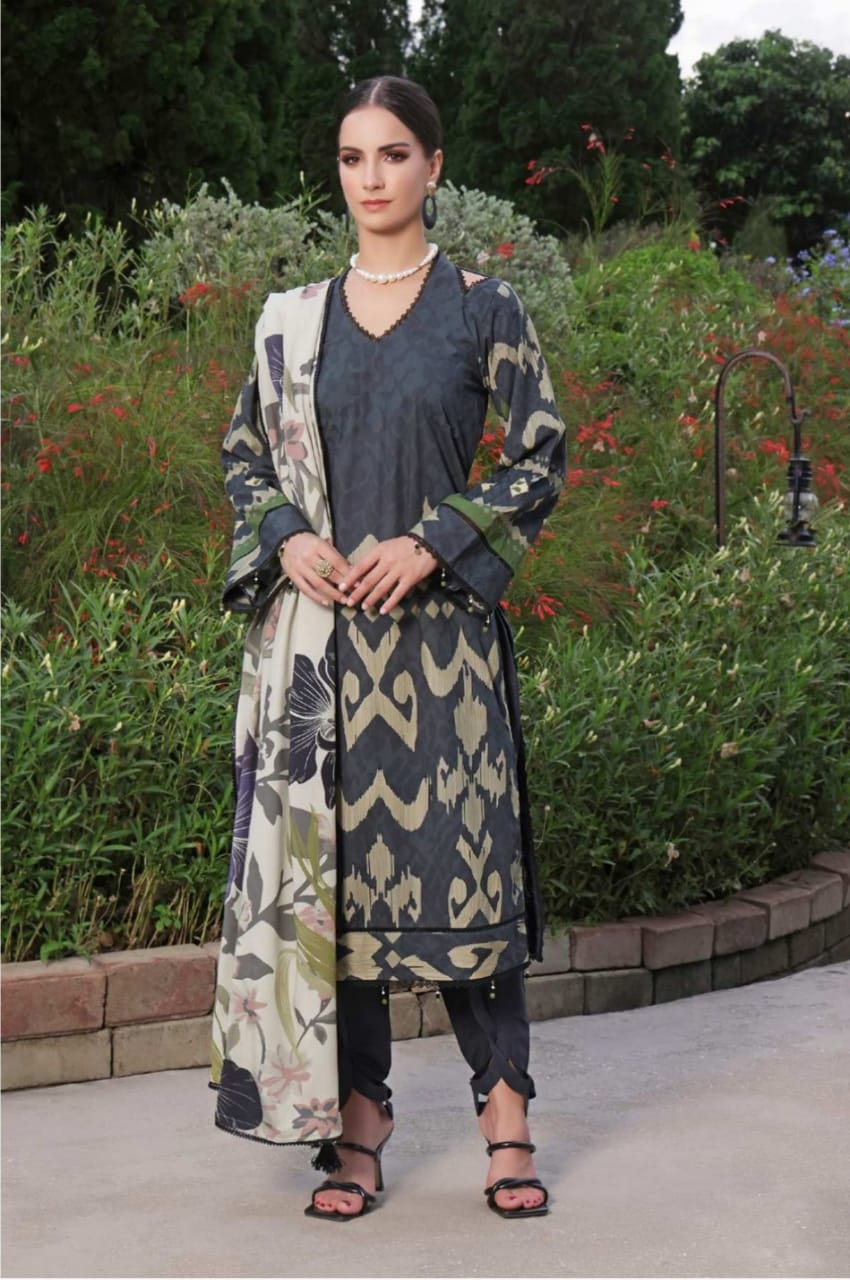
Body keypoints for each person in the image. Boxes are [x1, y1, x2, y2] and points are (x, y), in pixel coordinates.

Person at [209, 74, 566, 1222]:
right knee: (339, 896)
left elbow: (540, 455)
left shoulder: (481, 307)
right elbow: (244, 456)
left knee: (470, 877)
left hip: (443, 653)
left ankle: (505, 1113)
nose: (372, 177)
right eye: (353, 156)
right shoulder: (293, 319)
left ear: (433, 167)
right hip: (322, 659)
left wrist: (433, 540)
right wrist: (287, 534)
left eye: (394, 154)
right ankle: (358, 1124)